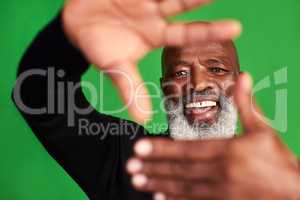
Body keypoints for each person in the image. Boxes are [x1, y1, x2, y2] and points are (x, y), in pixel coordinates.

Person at [13, 0, 300, 199]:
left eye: (217, 69)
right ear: (165, 90)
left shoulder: (277, 176)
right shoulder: (131, 158)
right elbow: (39, 97)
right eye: (181, 73)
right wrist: (67, 38)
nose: (199, 84)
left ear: (240, 83)